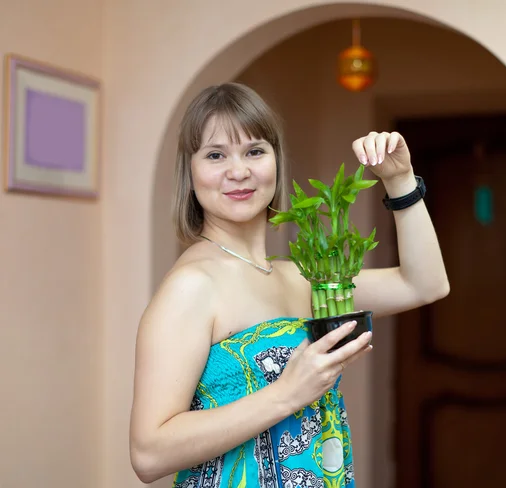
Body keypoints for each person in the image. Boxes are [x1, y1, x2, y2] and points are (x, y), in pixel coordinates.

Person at [129, 82, 449, 487]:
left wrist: (400, 180)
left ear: (276, 162)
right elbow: (148, 453)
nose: (239, 171)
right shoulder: (192, 286)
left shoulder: (300, 276)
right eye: (215, 155)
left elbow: (423, 284)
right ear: (190, 175)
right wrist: (287, 393)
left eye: (255, 151)